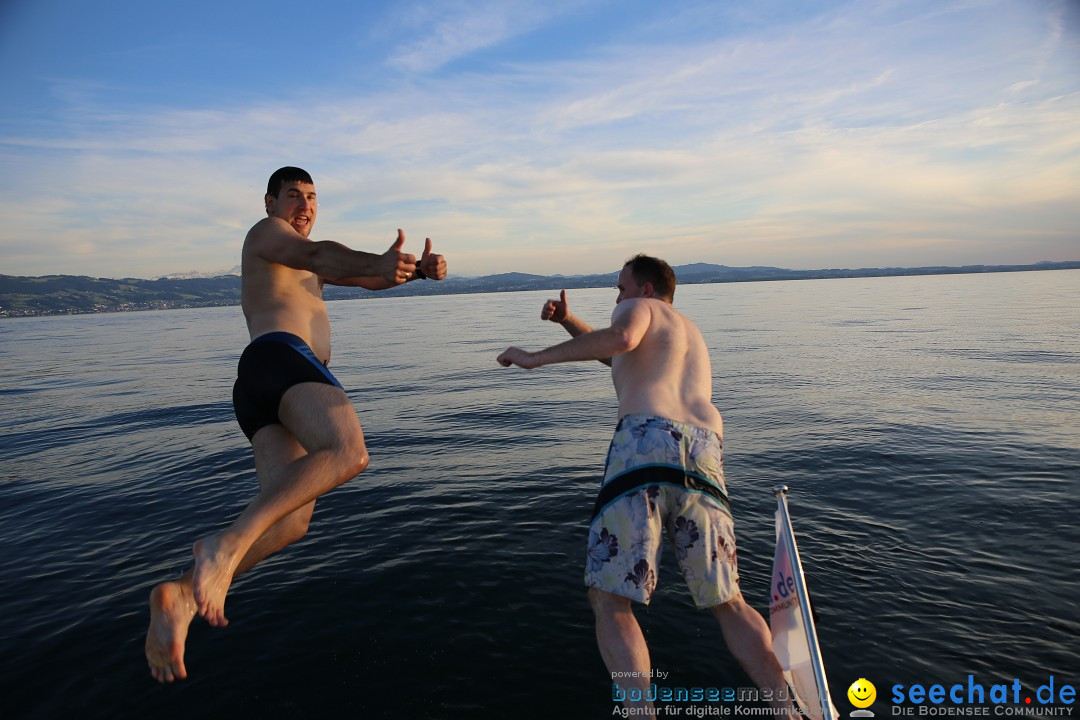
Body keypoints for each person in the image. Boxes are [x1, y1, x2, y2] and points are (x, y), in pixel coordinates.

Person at [145, 166, 447, 683]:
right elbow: (319, 253)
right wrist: (377, 256)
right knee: (348, 451)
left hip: (263, 388)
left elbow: (363, 277)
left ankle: (181, 595)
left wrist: (415, 270)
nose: (304, 205)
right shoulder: (266, 236)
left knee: (290, 522)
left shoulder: (302, 264)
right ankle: (224, 546)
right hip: (280, 358)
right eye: (293, 196)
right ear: (269, 202)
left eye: (311, 198)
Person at [497, 255, 794, 715]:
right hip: (704, 454)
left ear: (648, 290)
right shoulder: (688, 332)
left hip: (645, 443)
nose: (617, 297)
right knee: (729, 601)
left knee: (610, 597)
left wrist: (535, 358)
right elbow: (617, 353)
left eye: (621, 288)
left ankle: (640, 713)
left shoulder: (639, 310)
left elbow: (621, 336)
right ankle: (788, 708)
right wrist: (569, 321)